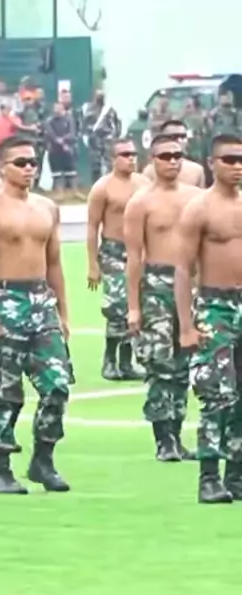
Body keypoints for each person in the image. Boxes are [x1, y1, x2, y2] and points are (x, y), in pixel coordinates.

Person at [0, 135, 73, 495]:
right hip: (5, 297)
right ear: (2, 167)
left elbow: (54, 263)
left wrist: (63, 312)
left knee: (57, 384)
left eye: (33, 162)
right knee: (4, 390)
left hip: (41, 300)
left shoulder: (47, 208)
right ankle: (0, 469)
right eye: (21, 163)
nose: (29, 168)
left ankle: (43, 459)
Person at [124, 133, 201, 462]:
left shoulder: (196, 198)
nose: (172, 161)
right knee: (160, 363)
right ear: (152, 160)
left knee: (184, 364)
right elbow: (133, 257)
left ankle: (177, 434)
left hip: (193, 285)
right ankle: (163, 438)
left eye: (177, 155)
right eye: (165, 156)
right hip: (156, 284)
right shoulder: (140, 203)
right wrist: (133, 306)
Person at [175, 134, 242, 503]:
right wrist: (186, 325)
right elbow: (183, 269)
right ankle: (209, 476)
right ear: (212, 163)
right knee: (216, 394)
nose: (237, 166)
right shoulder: (199, 209)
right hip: (215, 306)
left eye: (241, 159)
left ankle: (237, 474)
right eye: (229, 159)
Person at [86, 138, 148, 380]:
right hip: (113, 252)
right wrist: (92, 264)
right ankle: (110, 361)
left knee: (138, 306)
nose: (131, 158)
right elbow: (92, 226)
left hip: (139, 251)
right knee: (118, 306)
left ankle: (126, 361)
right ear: (113, 159)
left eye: (133, 154)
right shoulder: (103, 188)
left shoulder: (144, 184)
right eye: (125, 154)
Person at [142, 120, 205, 187]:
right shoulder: (150, 171)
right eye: (174, 137)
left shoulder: (196, 171)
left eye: (183, 136)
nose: (179, 140)